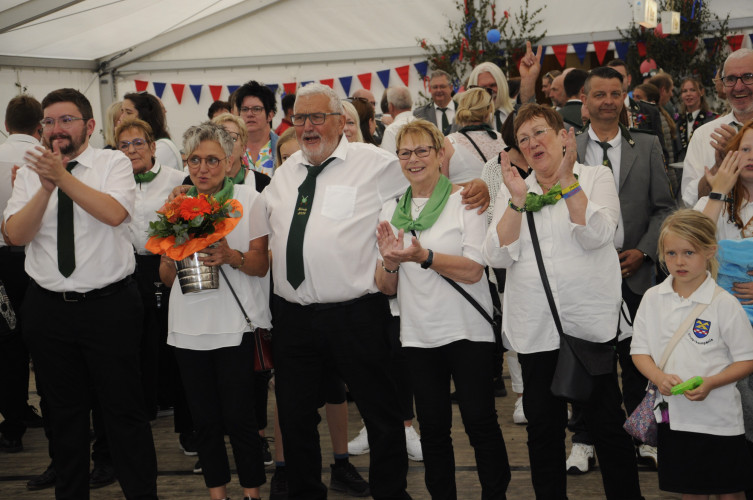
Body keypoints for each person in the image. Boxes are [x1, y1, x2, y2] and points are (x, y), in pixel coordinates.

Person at [2, 88, 158, 500]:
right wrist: (46, 186)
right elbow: (16, 234)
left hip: (110, 307)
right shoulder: (31, 170)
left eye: (66, 120)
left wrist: (63, 177)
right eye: (48, 122)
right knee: (63, 416)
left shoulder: (113, 163)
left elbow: (113, 214)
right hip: (48, 310)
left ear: (89, 126)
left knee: (124, 412)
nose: (56, 129)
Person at [482, 102, 643, 499]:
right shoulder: (515, 189)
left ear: (563, 136)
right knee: (542, 430)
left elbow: (598, 235)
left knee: (606, 425)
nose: (533, 143)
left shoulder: (595, 177)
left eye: (539, 132)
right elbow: (496, 256)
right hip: (536, 329)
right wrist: (517, 201)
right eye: (523, 139)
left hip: (589, 327)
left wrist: (569, 181)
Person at [376, 119, 510, 499]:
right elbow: (386, 287)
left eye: (422, 151)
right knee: (433, 430)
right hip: (418, 335)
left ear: (439, 155)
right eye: (406, 152)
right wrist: (389, 262)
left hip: (468, 330)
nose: (414, 159)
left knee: (479, 421)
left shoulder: (463, 198)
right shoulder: (391, 209)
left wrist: (424, 256)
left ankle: (495, 495)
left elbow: (473, 270)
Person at [571, 66, 675, 473]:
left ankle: (643, 435)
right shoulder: (569, 147)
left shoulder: (646, 145)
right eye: (600, 94)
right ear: (586, 99)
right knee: (586, 361)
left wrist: (645, 253)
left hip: (635, 271)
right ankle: (583, 438)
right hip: (585, 275)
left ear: (623, 98)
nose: (608, 101)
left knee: (638, 361)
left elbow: (665, 208)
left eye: (616, 93)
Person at [159, 122, 271, 500]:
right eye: (194, 160)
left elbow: (260, 265)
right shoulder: (175, 204)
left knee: (242, 421)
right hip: (187, 324)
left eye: (211, 160)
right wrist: (171, 252)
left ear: (230, 160)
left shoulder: (248, 199)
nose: (202, 168)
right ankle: (217, 495)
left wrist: (230, 256)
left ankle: (252, 493)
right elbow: (165, 276)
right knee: (204, 422)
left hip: (233, 325)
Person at [631, 209, 753, 499]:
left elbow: (747, 359)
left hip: (721, 420)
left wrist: (711, 383)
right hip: (675, 419)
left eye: (689, 252)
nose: (679, 261)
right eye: (671, 253)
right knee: (690, 493)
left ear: (710, 250)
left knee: (730, 493)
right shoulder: (652, 298)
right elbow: (639, 352)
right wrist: (658, 377)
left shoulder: (724, 303)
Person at [695, 123, 753, 500]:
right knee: (735, 425)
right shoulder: (714, 203)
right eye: (745, 150)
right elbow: (687, 246)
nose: (752, 158)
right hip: (723, 338)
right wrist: (718, 189)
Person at [0, 94, 42, 455]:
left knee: (8, 342)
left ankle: (13, 421)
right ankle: (53, 409)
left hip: (2, 259)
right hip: (39, 258)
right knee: (46, 336)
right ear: (40, 125)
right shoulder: (46, 160)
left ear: (6, 124)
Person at [681, 49, 753, 207]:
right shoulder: (705, 135)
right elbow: (690, 200)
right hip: (717, 231)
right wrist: (718, 167)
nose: (738, 87)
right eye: (731, 79)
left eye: (748, 77)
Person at [441, 87, 505, 183]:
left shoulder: (448, 143)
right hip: (501, 198)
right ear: (488, 113)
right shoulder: (503, 140)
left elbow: (442, 186)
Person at [122, 92, 183, 171]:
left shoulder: (162, 147)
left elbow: (137, 172)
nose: (122, 117)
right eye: (122, 111)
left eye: (128, 113)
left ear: (143, 117)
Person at [211, 113, 270, 192]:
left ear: (243, 148)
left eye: (232, 138)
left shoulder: (264, 183)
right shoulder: (197, 182)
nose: (226, 143)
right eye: (220, 138)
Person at [234, 80, 278, 177]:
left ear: (270, 115)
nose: (250, 114)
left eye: (256, 109)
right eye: (245, 109)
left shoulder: (282, 147)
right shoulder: (231, 149)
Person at [675, 77, 717, 163]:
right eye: (684, 91)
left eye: (692, 90)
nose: (688, 94)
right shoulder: (676, 121)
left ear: (701, 92)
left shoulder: (711, 120)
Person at [467, 61, 515, 132]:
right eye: (483, 87)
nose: (489, 92)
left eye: (493, 85)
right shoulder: (464, 121)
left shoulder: (517, 113)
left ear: (502, 85)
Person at [413, 70, 456, 135]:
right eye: (435, 87)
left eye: (442, 86)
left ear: (451, 88)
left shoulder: (464, 109)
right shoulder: (420, 114)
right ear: (430, 89)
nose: (438, 90)